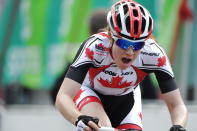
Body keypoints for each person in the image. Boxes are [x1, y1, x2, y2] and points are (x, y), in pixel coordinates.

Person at [55, 0, 188, 131]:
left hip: (127, 100)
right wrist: (78, 118)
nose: (130, 52)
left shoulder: (154, 54)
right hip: (90, 92)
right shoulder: (95, 47)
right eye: (124, 44)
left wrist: (178, 126)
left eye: (138, 45)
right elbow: (63, 97)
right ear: (111, 36)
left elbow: (177, 105)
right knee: (104, 127)